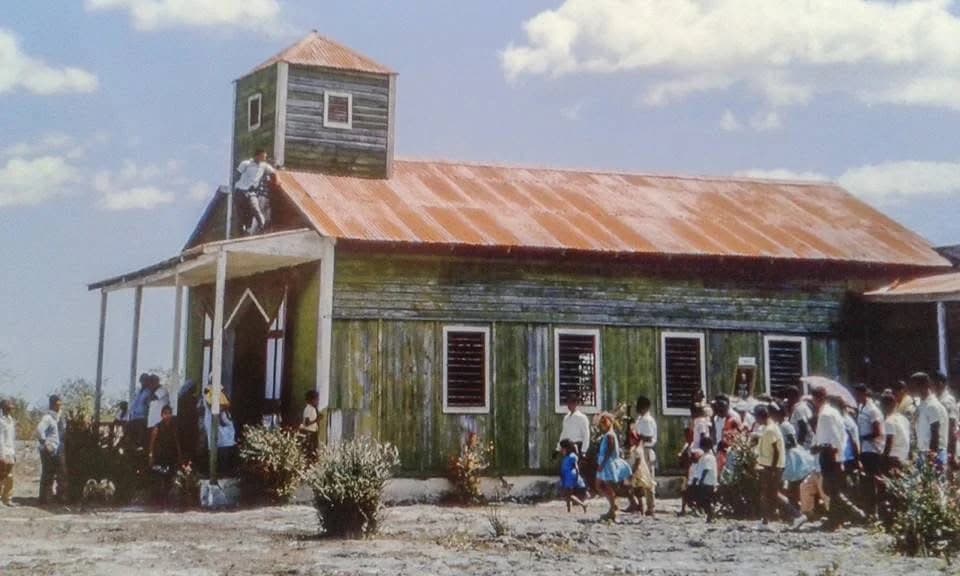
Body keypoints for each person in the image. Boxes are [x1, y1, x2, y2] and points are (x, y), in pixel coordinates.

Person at [754, 404, 803, 526]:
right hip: (768, 465)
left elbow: (776, 450)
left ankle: (797, 515)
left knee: (773, 493)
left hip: (772, 466)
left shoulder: (771, 430)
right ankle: (765, 521)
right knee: (766, 494)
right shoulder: (768, 428)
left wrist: (773, 469)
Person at [853, 383, 884, 517]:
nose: (857, 397)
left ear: (864, 393)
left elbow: (877, 431)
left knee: (873, 481)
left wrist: (863, 437)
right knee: (866, 481)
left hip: (872, 449)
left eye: (859, 394)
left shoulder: (872, 410)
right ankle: (869, 510)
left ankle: (876, 510)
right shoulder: (861, 408)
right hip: (864, 450)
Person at [595, 412, 632, 521]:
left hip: (608, 463)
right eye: (602, 422)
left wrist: (602, 464)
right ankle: (613, 505)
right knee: (599, 485)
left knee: (607, 485)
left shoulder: (610, 435)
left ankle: (612, 509)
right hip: (604, 462)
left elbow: (610, 450)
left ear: (610, 422)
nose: (603, 424)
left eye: (605, 421)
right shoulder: (607, 434)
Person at [911, 372, 948, 469]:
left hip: (934, 453)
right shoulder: (923, 404)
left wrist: (932, 455)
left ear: (926, 384)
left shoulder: (932, 405)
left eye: (917, 385)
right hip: (923, 452)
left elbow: (935, 431)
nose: (915, 389)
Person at [235, 149, 277, 235]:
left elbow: (274, 172)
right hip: (240, 190)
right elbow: (237, 175)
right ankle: (243, 231)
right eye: (263, 156)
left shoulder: (264, 166)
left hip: (251, 192)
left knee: (255, 208)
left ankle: (263, 226)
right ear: (257, 156)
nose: (264, 158)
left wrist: (276, 180)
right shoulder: (246, 164)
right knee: (242, 213)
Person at [148, 405, 181, 507]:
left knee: (169, 478)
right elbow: (151, 444)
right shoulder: (157, 427)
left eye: (169, 413)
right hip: (159, 456)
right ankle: (158, 501)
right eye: (165, 413)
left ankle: (167, 501)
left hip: (171, 456)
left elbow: (177, 442)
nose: (167, 415)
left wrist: (180, 455)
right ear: (162, 415)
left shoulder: (174, 427)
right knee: (159, 478)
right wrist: (151, 456)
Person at [630, 395, 657, 516]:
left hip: (646, 450)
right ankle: (639, 504)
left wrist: (637, 437)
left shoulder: (647, 420)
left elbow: (649, 437)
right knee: (638, 478)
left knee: (648, 479)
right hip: (639, 449)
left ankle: (651, 506)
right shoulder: (640, 419)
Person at [36, 395, 66, 504]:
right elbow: (39, 430)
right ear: (53, 404)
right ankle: (44, 498)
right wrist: (45, 443)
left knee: (61, 474)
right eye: (58, 403)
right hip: (49, 449)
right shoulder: (48, 417)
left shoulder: (58, 417)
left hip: (58, 449)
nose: (60, 405)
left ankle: (59, 496)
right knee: (48, 474)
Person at [689, 436, 718, 523]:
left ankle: (711, 514)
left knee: (704, 500)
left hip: (707, 482)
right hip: (705, 482)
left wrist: (700, 480)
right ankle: (709, 515)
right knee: (703, 500)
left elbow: (706, 469)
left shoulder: (709, 457)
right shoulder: (704, 457)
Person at [933, 371, 958, 469]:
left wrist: (952, 453)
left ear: (939, 384)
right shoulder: (937, 399)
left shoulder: (947, 401)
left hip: (946, 448)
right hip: (938, 445)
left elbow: (952, 427)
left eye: (932, 384)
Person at [558, 439, 587, 513]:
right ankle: (569, 509)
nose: (561, 450)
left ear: (566, 449)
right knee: (567, 494)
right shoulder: (567, 457)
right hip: (566, 476)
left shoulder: (572, 457)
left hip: (570, 477)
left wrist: (577, 476)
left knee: (568, 494)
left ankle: (582, 505)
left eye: (563, 449)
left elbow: (576, 466)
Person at [128, 373, 153, 449]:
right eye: (142, 380)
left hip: (142, 417)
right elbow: (134, 402)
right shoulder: (138, 391)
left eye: (145, 380)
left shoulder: (149, 392)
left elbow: (149, 404)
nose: (144, 382)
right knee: (129, 431)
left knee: (141, 433)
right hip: (134, 416)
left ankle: (140, 444)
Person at [0, 399, 16, 506]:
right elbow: (0, 438)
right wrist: (2, 454)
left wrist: (14, 453)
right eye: (9, 405)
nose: (11, 407)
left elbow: (12, 438)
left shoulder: (11, 420)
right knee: (1, 475)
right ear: (4, 407)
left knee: (9, 476)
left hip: (10, 451)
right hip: (3, 451)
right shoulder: (0, 421)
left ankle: (7, 498)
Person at [300, 390, 321, 460]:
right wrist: (317, 420)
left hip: (313, 433)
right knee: (310, 452)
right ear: (312, 400)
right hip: (309, 433)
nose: (318, 402)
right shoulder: (308, 409)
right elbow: (306, 423)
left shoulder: (313, 409)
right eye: (317, 400)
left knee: (314, 452)